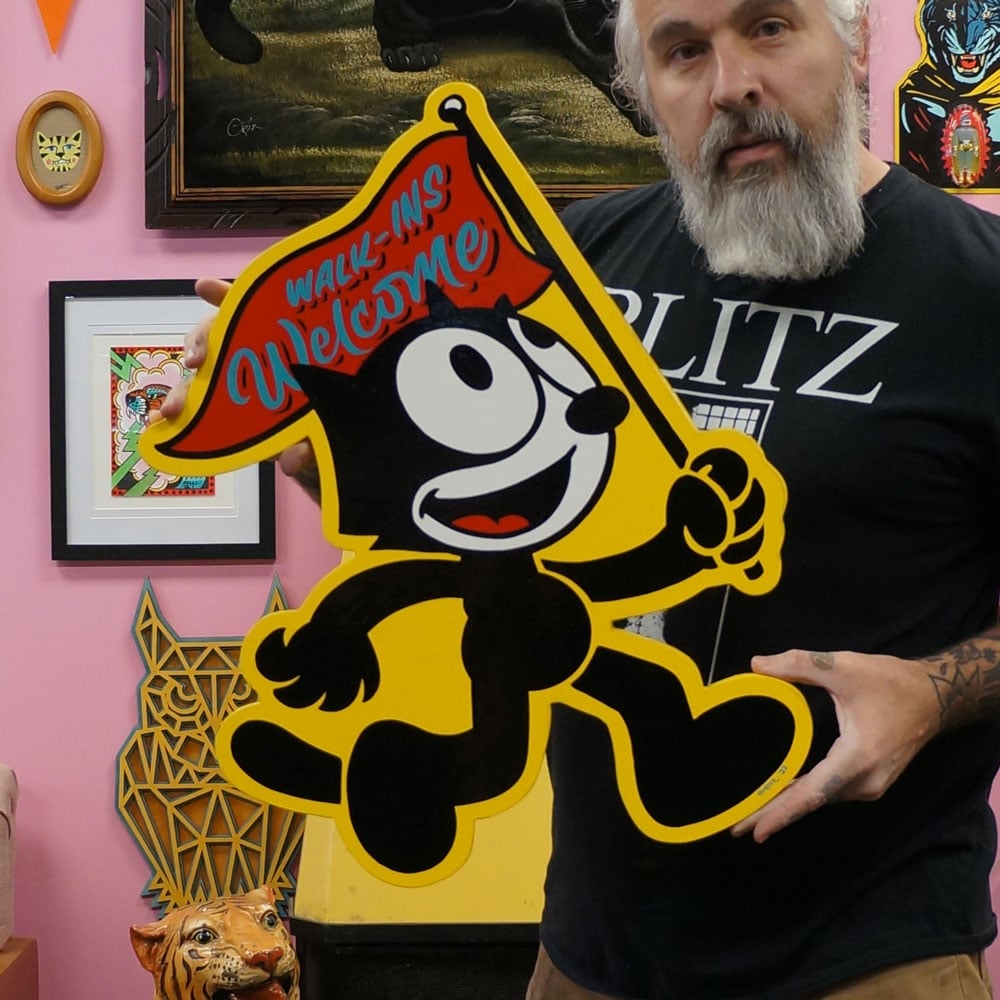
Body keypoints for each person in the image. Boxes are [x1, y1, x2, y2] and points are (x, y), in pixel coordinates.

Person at [161, 0, 1000, 992]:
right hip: (591, 955)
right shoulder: (573, 266)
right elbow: (468, 527)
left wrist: (932, 692)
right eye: (682, 51)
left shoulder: (977, 288)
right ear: (644, 93)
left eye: (769, 26)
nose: (731, 83)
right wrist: (313, 452)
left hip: (871, 955)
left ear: (852, 46)